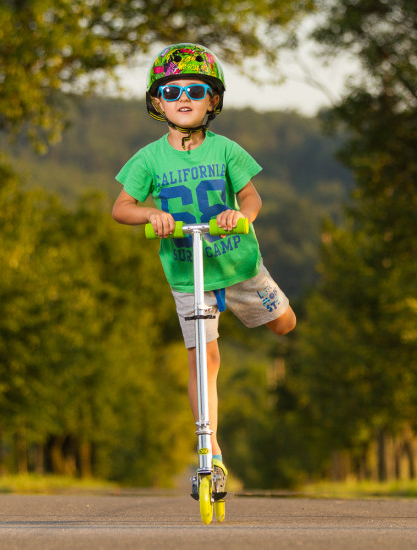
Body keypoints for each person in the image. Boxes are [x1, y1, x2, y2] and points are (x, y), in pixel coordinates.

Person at [112, 43, 296, 494]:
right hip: (186, 272)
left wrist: (242, 216)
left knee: (284, 325)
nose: (184, 98)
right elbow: (122, 207)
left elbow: (251, 197)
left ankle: (269, 307)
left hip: (237, 263)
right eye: (172, 91)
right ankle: (209, 451)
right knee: (204, 361)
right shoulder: (149, 159)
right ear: (157, 102)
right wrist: (150, 215)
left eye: (195, 89)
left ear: (213, 100)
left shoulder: (227, 150)